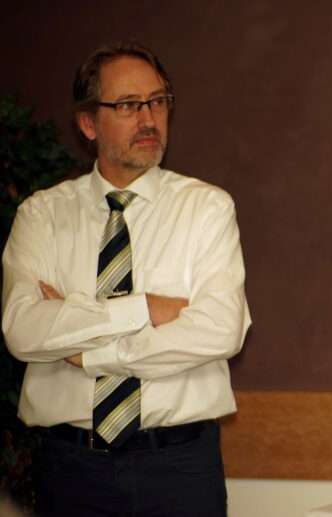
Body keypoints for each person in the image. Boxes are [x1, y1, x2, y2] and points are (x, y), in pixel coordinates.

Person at [1, 42, 251, 516]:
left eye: (158, 102)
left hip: (180, 468)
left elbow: (222, 329)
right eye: (129, 105)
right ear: (88, 124)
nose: (149, 119)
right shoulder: (42, 215)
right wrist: (142, 309)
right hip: (70, 468)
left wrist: (87, 349)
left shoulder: (206, 208)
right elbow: (23, 330)